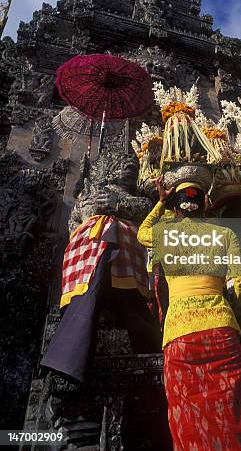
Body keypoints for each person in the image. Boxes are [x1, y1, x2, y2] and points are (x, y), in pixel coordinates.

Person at [137, 177, 241, 451]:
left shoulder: (165, 234)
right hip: (221, 331)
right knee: (232, 418)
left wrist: (161, 203)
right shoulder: (224, 234)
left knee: (187, 418)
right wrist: (231, 307)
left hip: (180, 335)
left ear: (176, 209)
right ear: (204, 206)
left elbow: (142, 232)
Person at [41, 152, 161, 383]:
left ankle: (145, 338)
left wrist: (115, 204)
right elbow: (73, 223)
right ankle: (69, 352)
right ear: (109, 168)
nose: (129, 168)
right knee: (87, 298)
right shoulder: (89, 192)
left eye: (133, 166)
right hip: (91, 249)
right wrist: (90, 212)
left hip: (127, 248)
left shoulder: (137, 198)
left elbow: (145, 210)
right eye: (123, 163)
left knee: (132, 302)